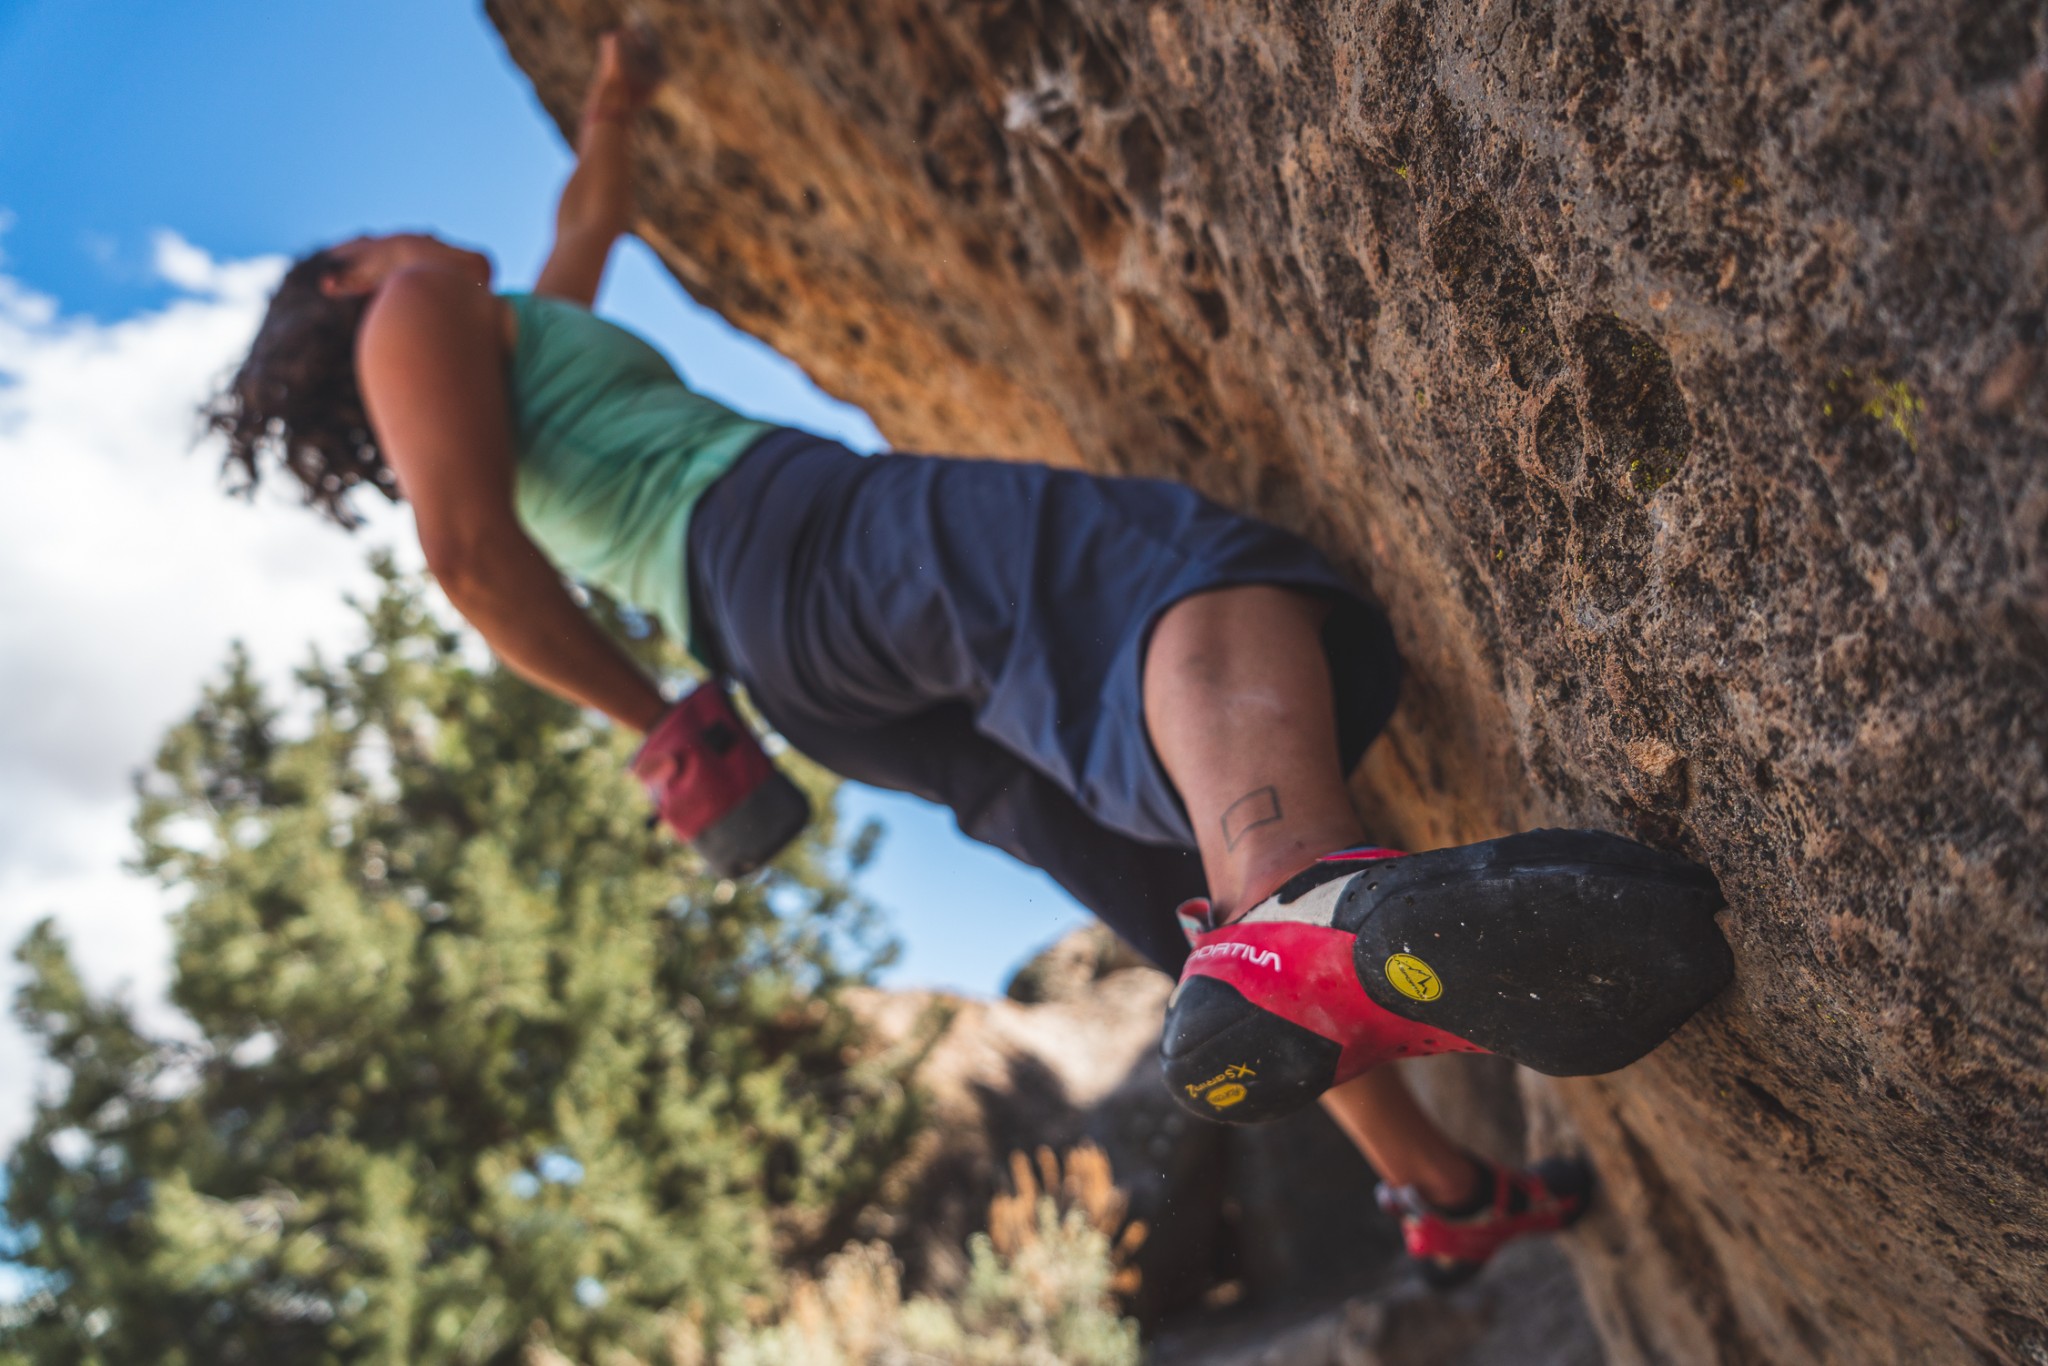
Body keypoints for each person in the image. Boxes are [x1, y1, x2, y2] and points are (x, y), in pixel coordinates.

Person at [210, 31, 1730, 1287]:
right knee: (1172, 581)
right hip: (791, 539)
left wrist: (610, 116)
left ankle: (1443, 1188)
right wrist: (655, 720)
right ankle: (1302, 898)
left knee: (1150, 866)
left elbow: (580, 232)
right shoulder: (411, 308)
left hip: (799, 673)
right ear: (350, 272)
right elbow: (470, 557)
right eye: (390, 245)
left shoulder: (516, 337)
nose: (425, 243)